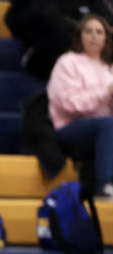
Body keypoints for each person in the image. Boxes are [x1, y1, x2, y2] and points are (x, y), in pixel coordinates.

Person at [46, 14, 113, 199]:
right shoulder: (67, 62)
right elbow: (69, 104)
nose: (94, 36)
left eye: (99, 32)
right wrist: (106, 92)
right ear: (80, 36)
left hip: (104, 131)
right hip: (70, 129)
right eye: (89, 31)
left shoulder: (109, 67)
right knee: (108, 124)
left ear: (105, 37)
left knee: (108, 125)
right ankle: (105, 186)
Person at [23, 0, 113, 78]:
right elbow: (53, 20)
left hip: (84, 48)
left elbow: (107, 19)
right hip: (45, 52)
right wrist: (84, 30)